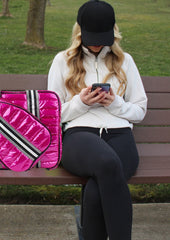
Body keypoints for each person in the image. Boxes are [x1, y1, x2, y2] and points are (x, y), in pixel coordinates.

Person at [47, 1, 147, 240]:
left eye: (102, 37)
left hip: (120, 134)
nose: (96, 43)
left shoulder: (126, 61)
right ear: (79, 31)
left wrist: (114, 103)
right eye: (91, 36)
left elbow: (140, 111)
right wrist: (82, 102)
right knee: (107, 164)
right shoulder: (63, 61)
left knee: (95, 189)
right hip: (80, 135)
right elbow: (51, 115)